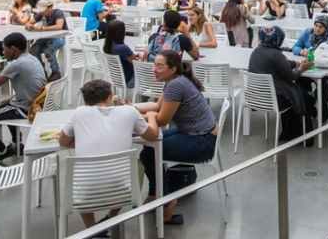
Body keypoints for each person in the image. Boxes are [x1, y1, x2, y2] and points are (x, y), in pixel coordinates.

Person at [59, 79, 159, 231]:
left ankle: (91, 229)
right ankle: (112, 216)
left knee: (82, 176)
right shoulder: (129, 111)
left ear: (85, 102)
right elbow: (152, 136)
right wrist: (151, 116)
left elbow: (63, 140)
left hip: (83, 197)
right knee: (135, 166)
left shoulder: (79, 113)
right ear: (111, 95)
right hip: (124, 192)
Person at [135, 51, 218, 225]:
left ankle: (165, 200)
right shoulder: (174, 81)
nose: (154, 69)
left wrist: (136, 117)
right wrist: (133, 109)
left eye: (159, 66)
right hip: (198, 133)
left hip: (202, 141)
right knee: (150, 147)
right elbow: (157, 106)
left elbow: (162, 119)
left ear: (172, 69)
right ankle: (157, 194)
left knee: (150, 152)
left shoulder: (175, 86)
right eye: (154, 65)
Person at [0, 32, 48, 160]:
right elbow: (31, 85)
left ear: (12, 49)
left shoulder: (16, 65)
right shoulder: (32, 58)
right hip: (36, 103)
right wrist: (11, 98)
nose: (2, 52)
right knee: (6, 104)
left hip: (26, 109)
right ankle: (17, 144)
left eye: (4, 49)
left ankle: (1, 151)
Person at [249, 27, 316, 143]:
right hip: (273, 99)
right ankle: (301, 130)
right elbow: (291, 77)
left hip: (256, 97)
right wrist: (301, 69)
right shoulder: (275, 54)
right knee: (300, 93)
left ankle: (310, 109)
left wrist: (296, 63)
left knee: (300, 93)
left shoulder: (256, 51)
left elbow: (281, 64)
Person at [26, 0, 67, 81]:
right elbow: (29, 22)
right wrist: (29, 26)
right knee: (33, 50)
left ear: (50, 7)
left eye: (44, 10)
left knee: (47, 49)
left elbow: (59, 26)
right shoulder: (41, 14)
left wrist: (42, 28)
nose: (42, 12)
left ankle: (56, 71)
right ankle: (41, 70)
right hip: (46, 37)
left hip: (59, 37)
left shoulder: (58, 13)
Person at [103, 20, 136, 87]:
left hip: (115, 77)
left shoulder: (107, 47)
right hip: (129, 79)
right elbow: (136, 63)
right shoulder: (123, 48)